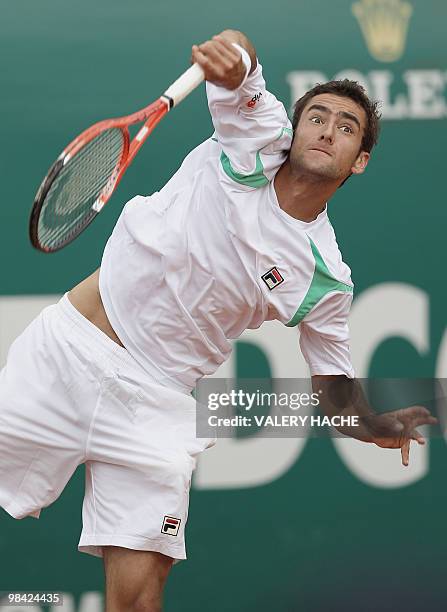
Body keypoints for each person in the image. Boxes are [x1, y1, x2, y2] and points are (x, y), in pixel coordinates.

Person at [0, 29, 436, 611]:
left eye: (346, 127)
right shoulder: (254, 137)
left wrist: (375, 425)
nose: (327, 129)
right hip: (68, 354)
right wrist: (232, 55)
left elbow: (332, 390)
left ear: (359, 162)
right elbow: (241, 63)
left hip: (157, 410)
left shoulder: (326, 279)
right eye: (319, 116)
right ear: (295, 126)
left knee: (136, 600)